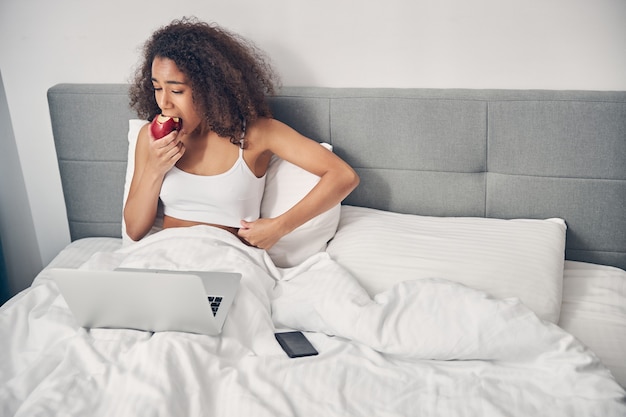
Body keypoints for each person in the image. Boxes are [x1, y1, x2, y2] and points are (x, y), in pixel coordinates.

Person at [124, 17, 359, 250]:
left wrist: (279, 227)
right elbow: (135, 231)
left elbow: (343, 175)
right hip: (163, 256)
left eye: (176, 90)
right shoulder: (152, 138)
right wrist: (155, 170)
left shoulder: (258, 133)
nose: (164, 102)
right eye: (157, 88)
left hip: (229, 259)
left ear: (209, 88)